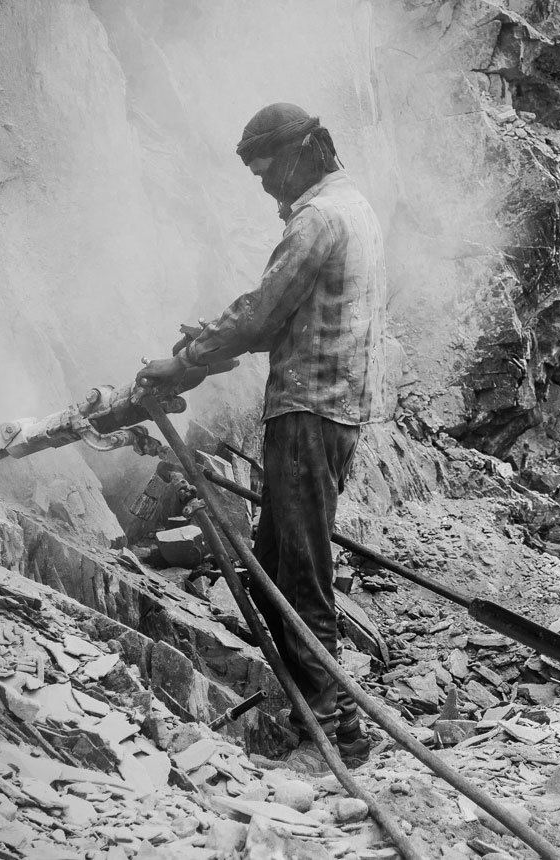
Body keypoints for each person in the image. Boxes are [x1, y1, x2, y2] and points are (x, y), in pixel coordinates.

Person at [136, 103, 388, 770]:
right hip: (333, 411)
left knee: (299, 574)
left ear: (304, 149)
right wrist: (213, 342)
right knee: (277, 558)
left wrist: (182, 361)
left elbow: (261, 318)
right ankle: (304, 708)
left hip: (306, 412)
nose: (265, 184)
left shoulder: (318, 219)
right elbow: (273, 318)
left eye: (268, 167)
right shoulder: (353, 206)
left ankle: (336, 730)